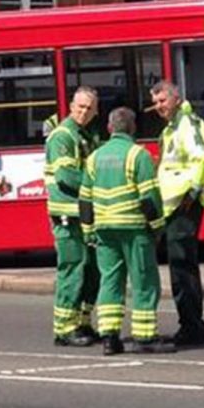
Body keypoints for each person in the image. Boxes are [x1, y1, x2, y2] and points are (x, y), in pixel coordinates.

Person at [80, 106, 174, 355]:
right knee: (144, 280)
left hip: (104, 230)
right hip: (134, 229)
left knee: (110, 281)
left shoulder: (94, 158)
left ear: (109, 128)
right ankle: (144, 337)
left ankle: (110, 338)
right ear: (133, 128)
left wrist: (88, 231)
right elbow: (149, 198)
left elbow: (85, 199)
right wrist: (158, 227)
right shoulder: (138, 155)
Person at [150, 80, 204, 347]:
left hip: (184, 204)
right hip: (175, 205)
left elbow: (202, 158)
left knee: (182, 266)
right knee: (179, 266)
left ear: (176, 98)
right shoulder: (173, 127)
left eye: (163, 101)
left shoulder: (188, 124)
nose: (159, 106)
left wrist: (192, 194)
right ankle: (190, 325)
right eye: (155, 103)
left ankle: (192, 327)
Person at [44, 86, 102, 347]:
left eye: (89, 108)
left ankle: (82, 322)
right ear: (71, 106)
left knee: (91, 270)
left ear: (96, 111)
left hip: (84, 214)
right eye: (80, 107)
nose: (84, 112)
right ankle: (64, 329)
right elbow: (66, 177)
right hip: (67, 215)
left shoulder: (86, 135)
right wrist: (98, 187)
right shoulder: (62, 136)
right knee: (73, 268)